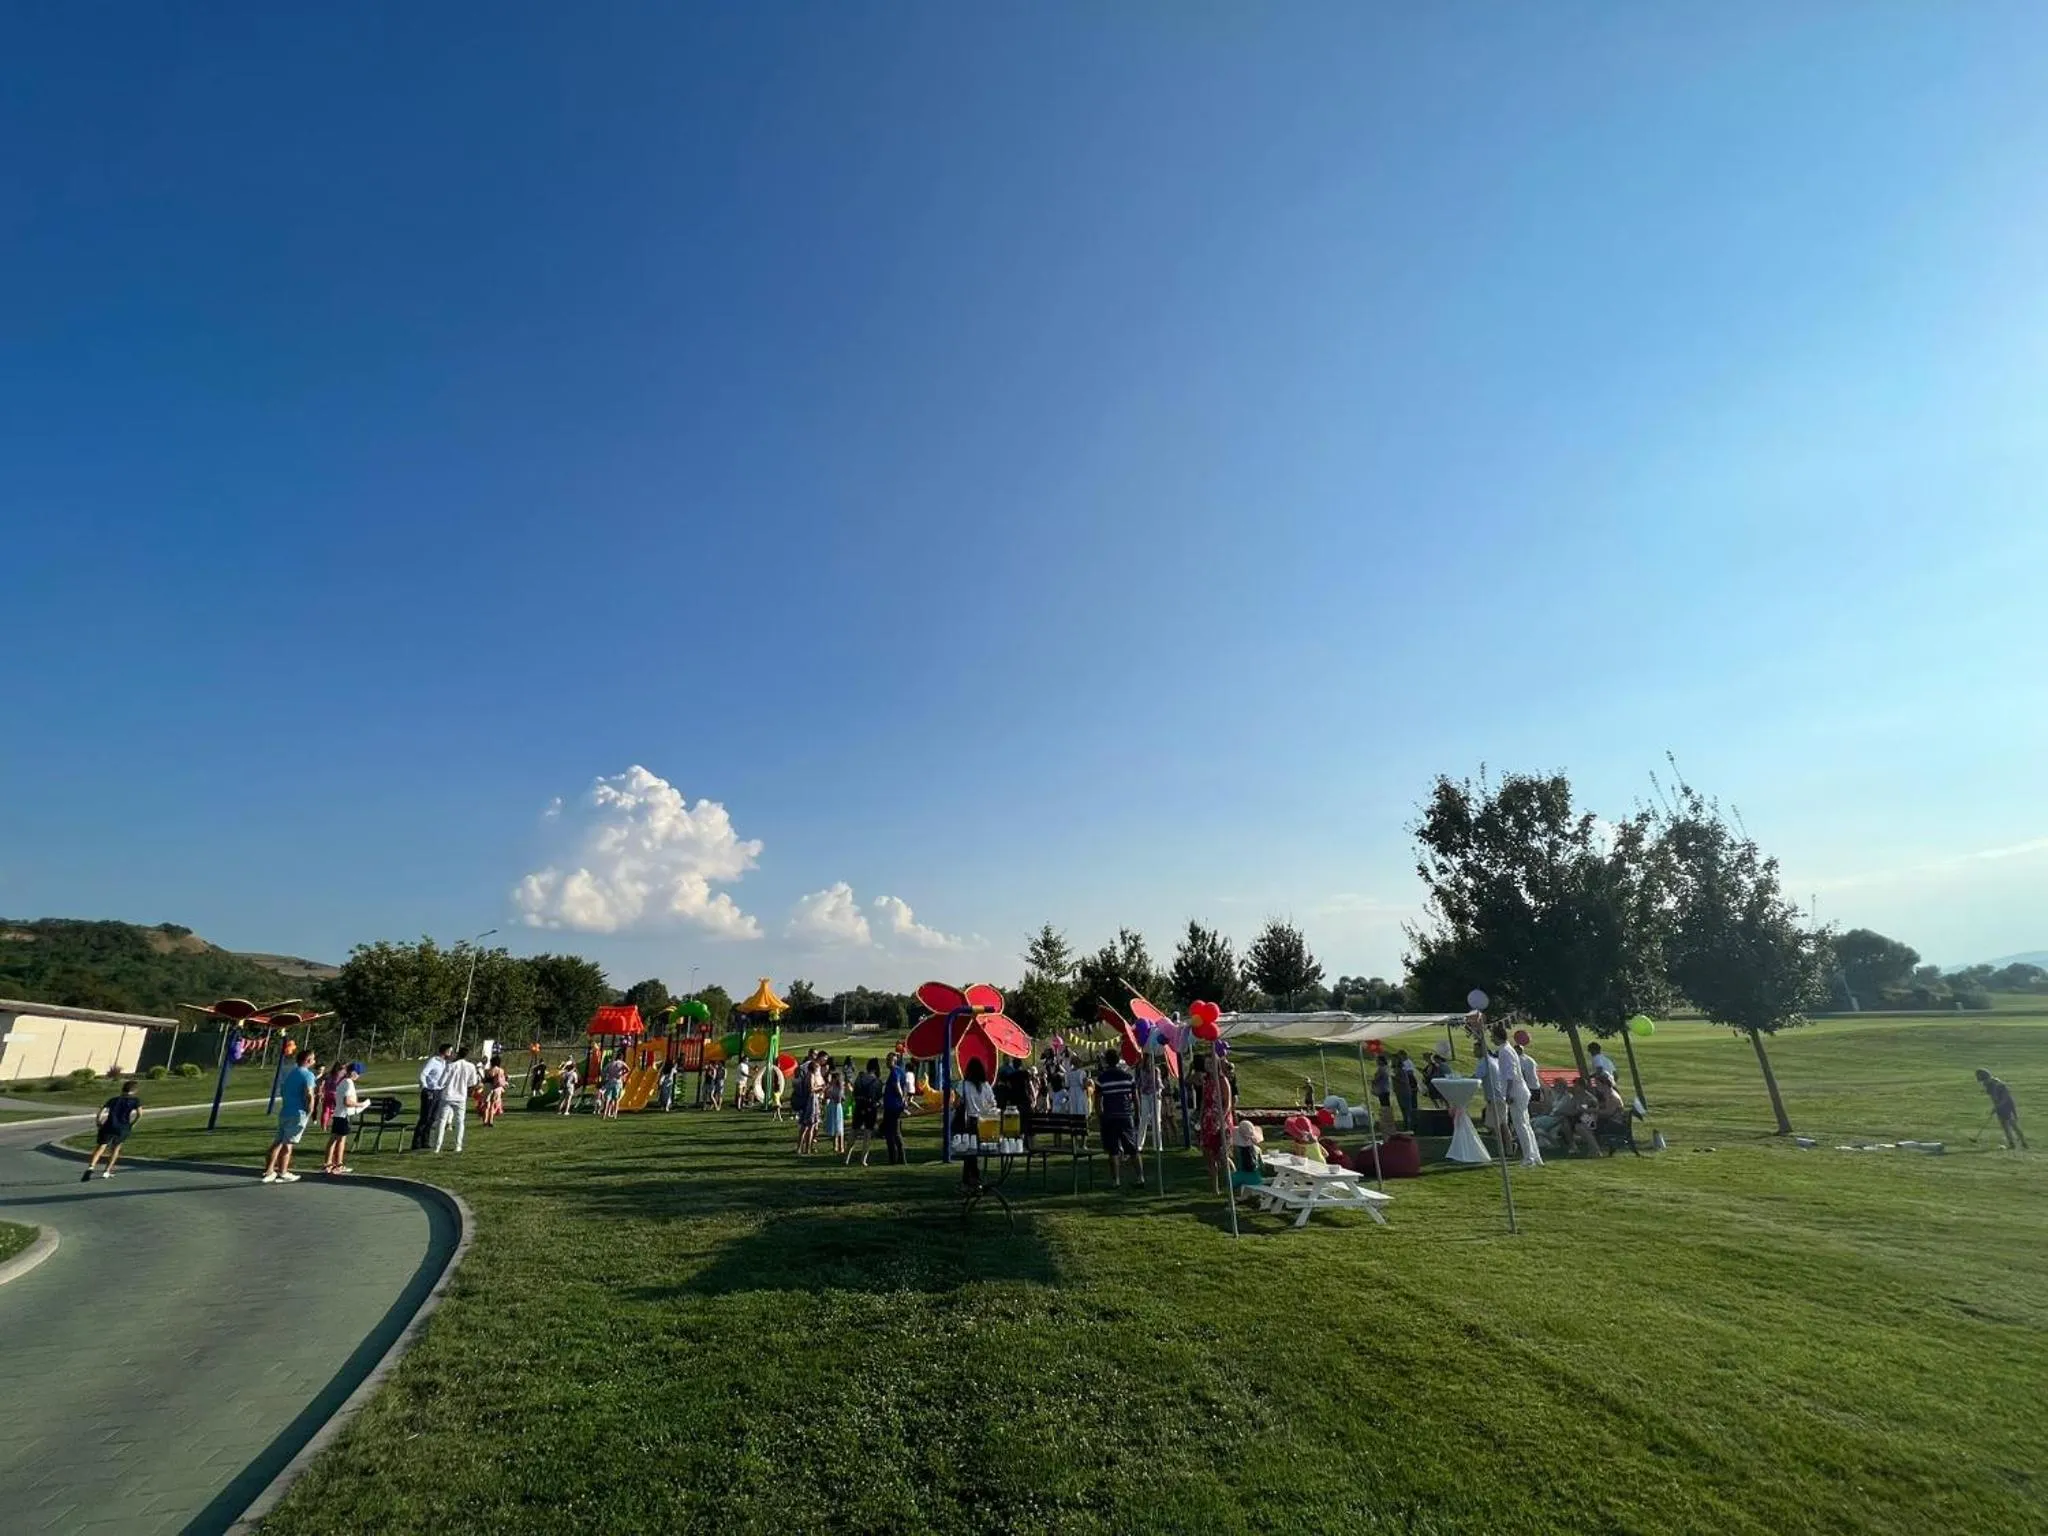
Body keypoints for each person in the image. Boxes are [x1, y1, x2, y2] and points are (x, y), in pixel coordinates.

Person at [263, 1048, 321, 1183]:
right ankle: (283, 1172)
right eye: (313, 1058)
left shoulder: (292, 1073)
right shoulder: (308, 1075)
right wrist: (311, 1109)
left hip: (286, 1111)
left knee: (278, 1142)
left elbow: (283, 1091)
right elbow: (309, 1093)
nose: (314, 1061)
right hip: (298, 1112)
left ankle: (269, 1170)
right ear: (308, 1061)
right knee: (288, 1145)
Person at [1491, 1025, 1542, 1168]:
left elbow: (1510, 1075)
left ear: (1497, 1036)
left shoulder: (1505, 1051)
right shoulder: (1507, 1049)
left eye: (1492, 1037)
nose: (1491, 1039)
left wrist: (1508, 1094)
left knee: (1521, 1125)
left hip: (1516, 1091)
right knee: (1525, 1123)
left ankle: (1529, 1157)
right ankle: (1535, 1155)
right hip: (1520, 1090)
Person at [1095, 1049, 1140, 1189]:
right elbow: (1135, 1098)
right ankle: (1140, 1177)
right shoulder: (1128, 1077)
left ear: (1106, 1061)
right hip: (1126, 1115)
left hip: (1110, 1116)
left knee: (1113, 1150)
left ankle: (1116, 1180)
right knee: (1132, 1149)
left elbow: (1097, 1100)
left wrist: (1100, 1115)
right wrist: (1137, 1113)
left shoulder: (1102, 1078)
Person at [83, 1079, 143, 1180]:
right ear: (135, 1090)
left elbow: (101, 1111)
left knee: (100, 1147)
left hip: (108, 1126)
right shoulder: (135, 1100)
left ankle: (91, 1167)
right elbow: (140, 1114)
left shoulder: (113, 1099)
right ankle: (107, 1171)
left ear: (123, 1089)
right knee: (115, 1149)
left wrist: (98, 1121)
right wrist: (133, 1124)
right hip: (122, 1127)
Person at [955, 1056, 997, 1189]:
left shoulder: (963, 1085)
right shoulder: (986, 1086)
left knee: (970, 1152)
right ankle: (971, 1178)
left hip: (970, 1121)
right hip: (985, 1121)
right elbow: (993, 1103)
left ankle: (971, 1179)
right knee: (977, 1152)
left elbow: (957, 1103)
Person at [1199, 1051, 1236, 1194]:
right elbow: (1203, 1100)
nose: (1208, 1066)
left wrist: (1222, 1118)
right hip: (1207, 1120)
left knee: (1223, 1155)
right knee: (1209, 1154)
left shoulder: (1222, 1080)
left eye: (1211, 1063)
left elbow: (1227, 1102)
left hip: (1221, 1121)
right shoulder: (1206, 1081)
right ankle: (1215, 1188)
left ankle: (1234, 1183)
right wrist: (1201, 1116)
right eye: (1206, 1064)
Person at [435, 1046, 483, 1152]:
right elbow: (473, 1083)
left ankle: (437, 1146)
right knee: (460, 1122)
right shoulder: (470, 1066)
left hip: (447, 1096)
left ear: (458, 1054)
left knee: (442, 1121)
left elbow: (441, 1082)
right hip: (461, 1096)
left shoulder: (450, 1066)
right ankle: (458, 1145)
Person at [324, 1061, 364, 1174]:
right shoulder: (349, 1083)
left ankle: (328, 1163)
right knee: (341, 1140)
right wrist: (360, 1104)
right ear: (354, 1073)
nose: (359, 1076)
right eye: (358, 1073)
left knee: (333, 1139)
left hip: (338, 1114)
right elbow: (347, 1102)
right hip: (344, 1115)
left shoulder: (342, 1082)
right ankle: (338, 1164)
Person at [412, 1043, 452, 1150]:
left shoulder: (445, 1063)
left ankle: (425, 1141)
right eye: (450, 1051)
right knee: (425, 1117)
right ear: (445, 1051)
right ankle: (416, 1142)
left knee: (433, 1118)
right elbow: (423, 1074)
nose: (451, 1053)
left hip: (439, 1091)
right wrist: (425, 1087)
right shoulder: (433, 1061)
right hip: (430, 1091)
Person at [1977, 1068, 2026, 1149]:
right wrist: (1995, 1107)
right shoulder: (1989, 1086)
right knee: (2005, 1125)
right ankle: (2013, 1143)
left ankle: (2023, 1143)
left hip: (2007, 1105)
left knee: (2012, 1124)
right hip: (2000, 1106)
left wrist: (1997, 1107)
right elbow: (1994, 1098)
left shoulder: (1998, 1085)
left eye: (1984, 1081)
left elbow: (2006, 1098)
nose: (1983, 1083)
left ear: (1987, 1078)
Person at [846, 1058, 882, 1166]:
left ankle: (846, 1157)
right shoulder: (877, 1082)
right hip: (870, 1108)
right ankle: (863, 1159)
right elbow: (878, 1097)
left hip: (859, 1106)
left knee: (854, 1132)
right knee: (867, 1134)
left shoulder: (860, 1077)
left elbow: (855, 1092)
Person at [881, 1051, 910, 1165]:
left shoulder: (894, 1072)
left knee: (892, 1133)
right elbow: (905, 1086)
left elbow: (897, 1085)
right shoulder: (901, 1071)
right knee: (893, 1132)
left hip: (892, 1107)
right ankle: (897, 1158)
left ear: (893, 1061)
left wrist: (902, 1098)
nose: (887, 1062)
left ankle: (898, 1158)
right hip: (894, 1106)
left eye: (889, 1060)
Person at [1133, 1053, 1164, 1153]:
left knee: (1156, 1120)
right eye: (1146, 1060)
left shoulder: (1156, 1070)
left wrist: (1159, 1093)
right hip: (1144, 1095)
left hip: (1154, 1095)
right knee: (1143, 1120)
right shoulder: (1141, 1070)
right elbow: (1138, 1083)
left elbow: (1159, 1084)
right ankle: (1139, 1145)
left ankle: (1158, 1146)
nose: (1148, 1062)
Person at [1394, 1050, 1420, 1130]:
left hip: (1410, 1084)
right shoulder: (1403, 1064)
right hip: (1407, 1084)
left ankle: (1413, 1123)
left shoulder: (1407, 1063)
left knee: (1412, 1104)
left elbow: (1410, 1072)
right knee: (1409, 1105)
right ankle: (1410, 1122)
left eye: (1400, 1056)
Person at [824, 1066, 847, 1155]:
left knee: (839, 1127)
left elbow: (839, 1099)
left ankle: (841, 1147)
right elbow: (826, 1096)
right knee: (833, 1127)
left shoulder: (839, 1088)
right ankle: (835, 1146)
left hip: (837, 1107)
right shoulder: (830, 1086)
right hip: (831, 1106)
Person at [480, 1055, 508, 1125]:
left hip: (488, 1086)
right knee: (493, 1104)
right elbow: (502, 1080)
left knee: (487, 1104)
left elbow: (486, 1079)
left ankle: (485, 1120)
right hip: (497, 1088)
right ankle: (491, 1121)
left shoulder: (489, 1070)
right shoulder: (501, 1070)